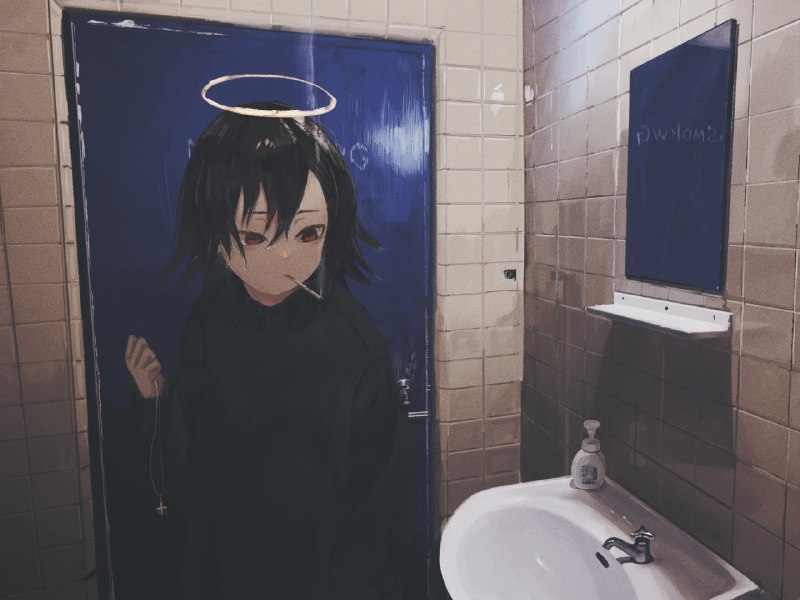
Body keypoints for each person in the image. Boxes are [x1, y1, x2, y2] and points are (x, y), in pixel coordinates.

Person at [124, 101, 417, 599]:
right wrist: (153, 401)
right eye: (255, 236)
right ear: (216, 235)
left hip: (323, 581)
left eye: (308, 232)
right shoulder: (210, 320)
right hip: (225, 571)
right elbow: (184, 456)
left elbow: (384, 493)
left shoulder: (352, 339)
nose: (285, 256)